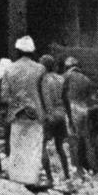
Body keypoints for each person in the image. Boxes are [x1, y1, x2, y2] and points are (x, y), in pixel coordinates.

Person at [0, 36, 47, 187]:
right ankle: (32, 180)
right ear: (32, 52)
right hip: (36, 113)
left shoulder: (9, 69)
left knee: (17, 146)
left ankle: (16, 179)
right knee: (34, 146)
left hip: (16, 114)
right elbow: (44, 93)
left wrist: (19, 103)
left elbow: (4, 96)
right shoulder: (40, 69)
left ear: (17, 51)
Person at [39, 54, 71, 183]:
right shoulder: (61, 78)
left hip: (49, 114)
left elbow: (44, 99)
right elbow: (66, 99)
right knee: (60, 147)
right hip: (61, 114)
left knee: (42, 145)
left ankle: (50, 178)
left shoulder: (43, 80)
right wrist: (70, 117)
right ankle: (67, 175)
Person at [62, 56, 96, 174]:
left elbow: (62, 94)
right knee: (83, 139)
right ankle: (86, 166)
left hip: (72, 109)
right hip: (84, 110)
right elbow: (89, 98)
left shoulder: (67, 76)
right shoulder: (86, 79)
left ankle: (75, 166)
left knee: (73, 139)